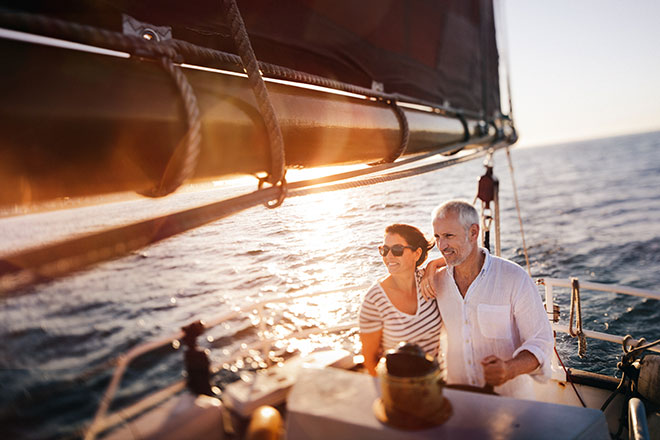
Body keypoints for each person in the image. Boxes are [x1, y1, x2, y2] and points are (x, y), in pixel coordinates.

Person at [421, 200, 553, 399]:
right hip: (459, 397)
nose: (441, 246)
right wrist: (431, 266)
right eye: (438, 237)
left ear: (473, 232)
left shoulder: (514, 277)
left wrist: (510, 369)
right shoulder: (436, 281)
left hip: (512, 401)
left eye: (449, 236)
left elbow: (541, 341)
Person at [359, 223, 443, 376]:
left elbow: (463, 258)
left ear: (416, 254)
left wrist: (433, 265)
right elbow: (370, 360)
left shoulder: (428, 280)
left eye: (397, 250)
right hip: (400, 386)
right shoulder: (374, 300)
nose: (388, 256)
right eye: (384, 250)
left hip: (437, 379)